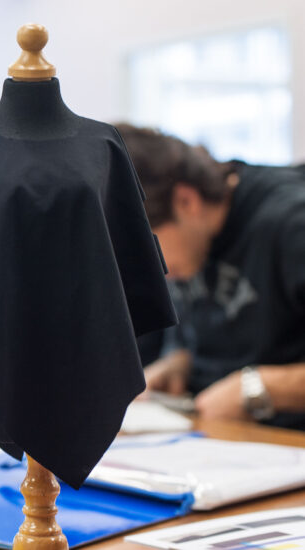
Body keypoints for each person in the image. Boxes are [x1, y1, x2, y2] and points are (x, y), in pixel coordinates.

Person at [116, 124, 305, 428]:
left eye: (146, 251)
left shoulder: (290, 222)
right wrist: (179, 365)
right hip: (213, 438)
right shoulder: (190, 244)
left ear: (186, 201)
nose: (152, 274)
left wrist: (259, 388)